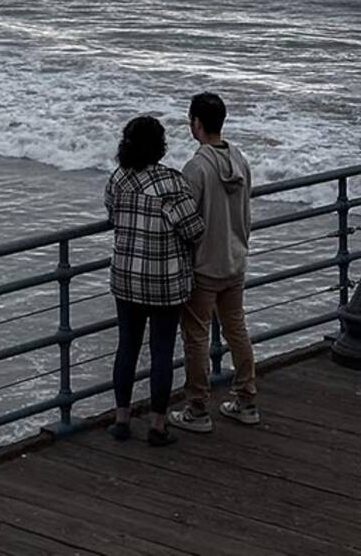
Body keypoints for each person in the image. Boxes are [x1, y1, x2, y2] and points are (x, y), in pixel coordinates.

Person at [106, 116, 205, 445]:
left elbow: (112, 215)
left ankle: (121, 419)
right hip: (164, 281)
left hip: (126, 278)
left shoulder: (118, 179)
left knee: (127, 347)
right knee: (162, 351)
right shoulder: (171, 184)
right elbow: (194, 229)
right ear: (160, 147)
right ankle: (158, 425)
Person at [170, 91, 259, 431]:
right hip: (235, 260)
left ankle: (197, 408)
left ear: (197, 123)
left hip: (205, 265)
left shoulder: (196, 167)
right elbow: (246, 211)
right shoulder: (239, 158)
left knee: (196, 337)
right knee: (237, 329)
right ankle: (247, 399)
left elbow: (186, 221)